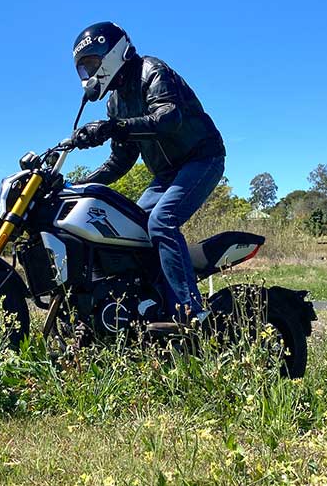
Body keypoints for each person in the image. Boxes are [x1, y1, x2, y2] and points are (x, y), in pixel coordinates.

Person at [70, 21, 226, 324]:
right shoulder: (116, 102)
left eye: (91, 64)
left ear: (111, 52)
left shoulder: (151, 70)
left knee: (161, 221)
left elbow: (168, 117)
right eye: (83, 69)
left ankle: (191, 311)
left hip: (201, 159)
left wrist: (114, 127)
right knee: (131, 229)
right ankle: (150, 303)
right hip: (167, 173)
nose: (88, 76)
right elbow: (120, 160)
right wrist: (80, 185)